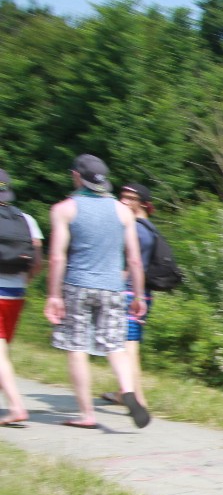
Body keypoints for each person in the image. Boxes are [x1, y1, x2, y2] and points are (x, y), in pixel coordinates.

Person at [44, 155, 150, 430]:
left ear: (76, 176)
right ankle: (128, 391)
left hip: (77, 285)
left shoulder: (64, 209)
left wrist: (53, 295)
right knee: (115, 346)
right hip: (113, 288)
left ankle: (86, 414)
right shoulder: (122, 211)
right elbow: (134, 260)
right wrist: (138, 296)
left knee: (77, 348)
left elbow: (57, 257)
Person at [102, 182, 155, 408]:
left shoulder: (136, 230)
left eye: (131, 198)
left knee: (126, 349)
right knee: (126, 347)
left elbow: (130, 265)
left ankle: (138, 400)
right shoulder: (149, 227)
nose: (124, 201)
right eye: (122, 196)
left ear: (143, 203)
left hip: (130, 295)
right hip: (141, 294)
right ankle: (123, 393)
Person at [0, 167, 44, 426]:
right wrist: (25, 281)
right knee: (2, 351)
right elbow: (37, 262)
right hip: (16, 295)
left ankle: (16, 406)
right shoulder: (26, 219)